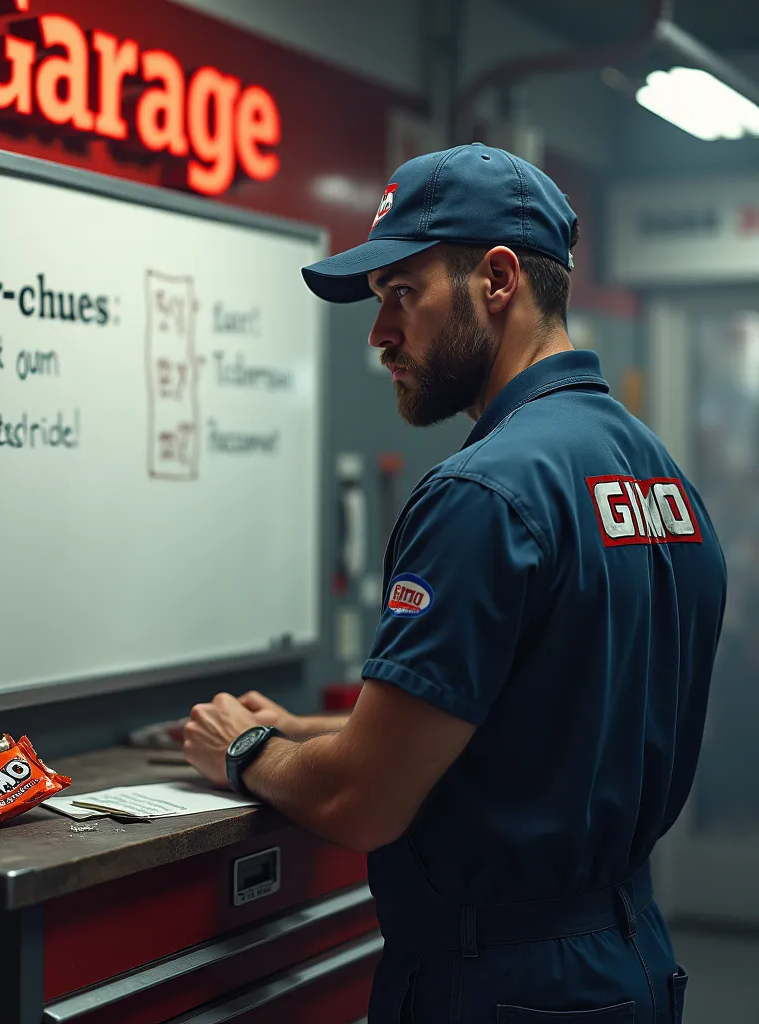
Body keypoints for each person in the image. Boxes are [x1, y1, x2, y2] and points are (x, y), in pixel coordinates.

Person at [181, 143, 727, 1023]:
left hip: (501, 985)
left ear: (498, 279)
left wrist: (245, 752)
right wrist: (310, 725)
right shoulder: (661, 478)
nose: (379, 333)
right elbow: (544, 711)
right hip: (628, 957)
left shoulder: (485, 493)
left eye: (403, 293)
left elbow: (362, 804)